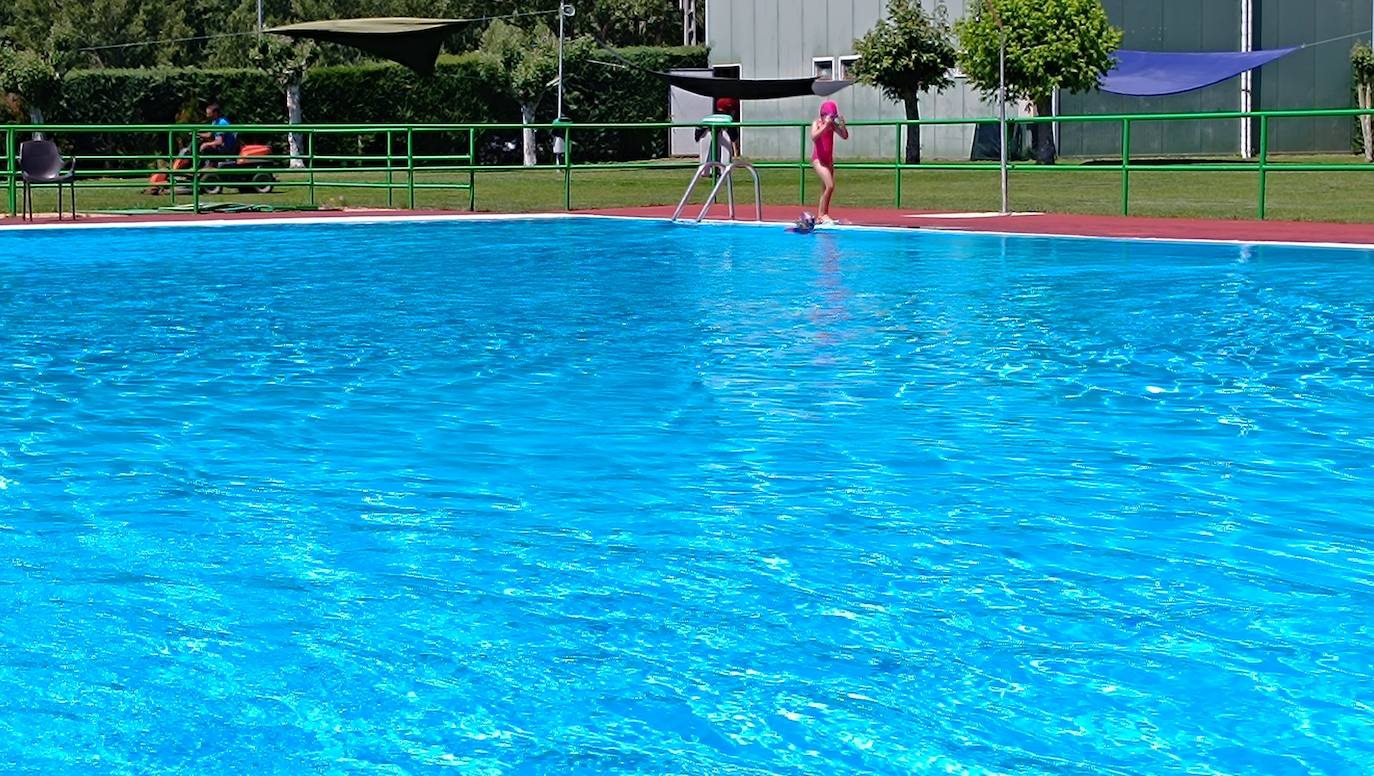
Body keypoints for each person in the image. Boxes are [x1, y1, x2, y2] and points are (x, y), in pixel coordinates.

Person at [810, 99, 849, 224]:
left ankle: (821, 215)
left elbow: (844, 136)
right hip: (818, 160)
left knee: (825, 189)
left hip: (828, 160)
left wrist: (842, 126)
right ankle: (823, 215)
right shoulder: (816, 123)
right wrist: (825, 126)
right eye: (829, 116)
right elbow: (814, 137)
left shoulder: (832, 126)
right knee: (830, 186)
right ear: (823, 115)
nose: (831, 119)